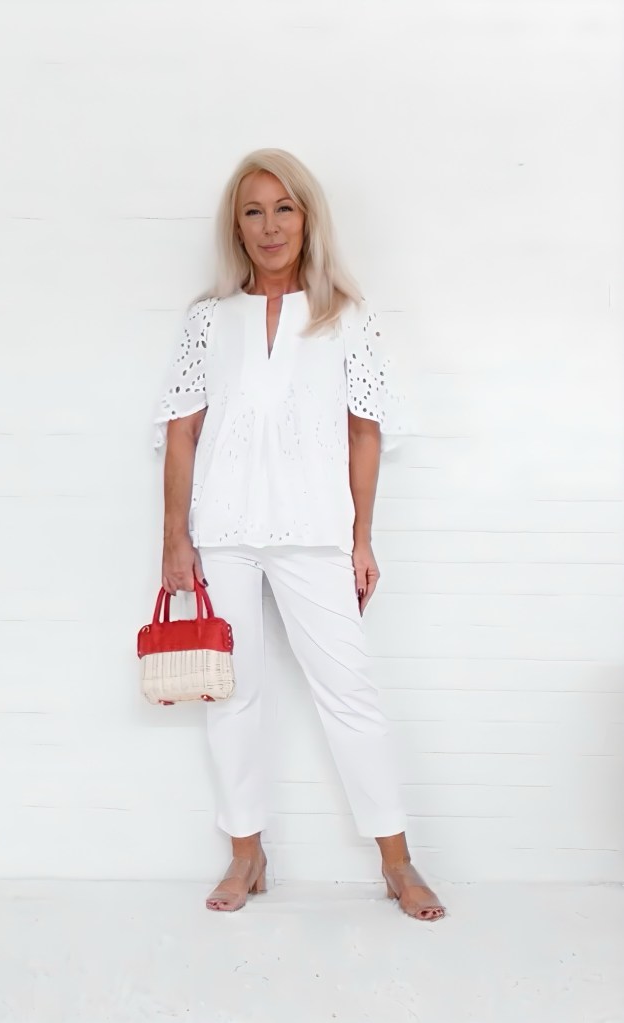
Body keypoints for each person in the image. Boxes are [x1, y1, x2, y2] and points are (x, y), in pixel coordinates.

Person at [153, 148, 445, 921]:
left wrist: (363, 539)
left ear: (306, 217)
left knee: (350, 693)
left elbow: (365, 435)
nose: (270, 225)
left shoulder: (343, 316)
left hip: (315, 529)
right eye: (254, 210)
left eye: (284, 208)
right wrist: (174, 540)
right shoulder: (208, 321)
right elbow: (181, 434)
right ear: (236, 225)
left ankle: (397, 860)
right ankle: (247, 854)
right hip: (224, 532)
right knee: (233, 695)